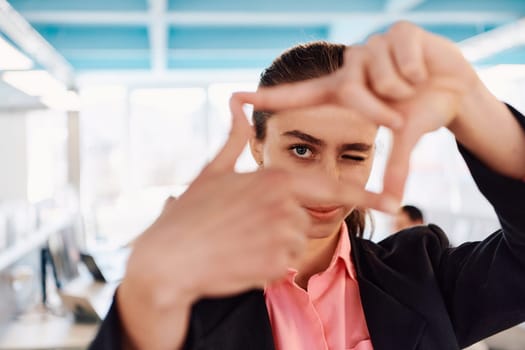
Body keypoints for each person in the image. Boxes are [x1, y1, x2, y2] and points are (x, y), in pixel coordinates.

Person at [89, 22, 525, 350]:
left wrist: (474, 105)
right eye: (302, 150)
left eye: (353, 154)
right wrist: (141, 303)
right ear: (257, 145)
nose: (326, 185)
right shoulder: (187, 297)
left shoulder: (422, 274)